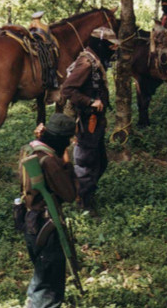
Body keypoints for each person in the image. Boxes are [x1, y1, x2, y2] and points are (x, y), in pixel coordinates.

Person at [17, 113, 77, 308]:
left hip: (29, 221)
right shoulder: (50, 162)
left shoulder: (30, 148)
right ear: (62, 141)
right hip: (46, 224)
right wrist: (67, 164)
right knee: (48, 288)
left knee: (42, 275)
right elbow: (69, 194)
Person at [61, 42, 109, 214]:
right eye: (111, 46)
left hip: (95, 122)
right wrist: (89, 102)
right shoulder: (87, 63)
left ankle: (87, 194)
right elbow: (67, 89)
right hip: (87, 121)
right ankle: (83, 201)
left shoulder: (94, 60)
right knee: (86, 162)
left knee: (101, 162)